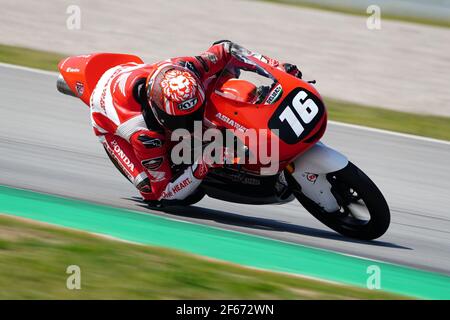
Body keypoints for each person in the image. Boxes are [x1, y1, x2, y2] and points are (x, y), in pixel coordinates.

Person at [90, 40, 302, 206]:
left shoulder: (185, 68)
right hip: (108, 122)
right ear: (160, 113)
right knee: (153, 192)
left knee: (222, 68)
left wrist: (276, 67)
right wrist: (204, 162)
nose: (193, 123)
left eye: (195, 112)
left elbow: (226, 49)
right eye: (183, 119)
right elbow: (164, 193)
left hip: (134, 75)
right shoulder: (144, 134)